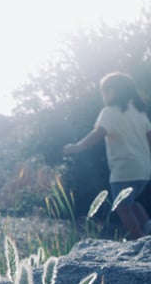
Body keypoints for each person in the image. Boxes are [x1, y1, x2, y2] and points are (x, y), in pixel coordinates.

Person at [62, 71, 151, 239]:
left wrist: (77, 147)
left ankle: (138, 238)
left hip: (124, 168)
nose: (103, 96)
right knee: (133, 203)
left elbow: (98, 133)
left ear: (113, 91)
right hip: (144, 169)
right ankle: (148, 229)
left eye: (105, 91)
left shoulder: (110, 112)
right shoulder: (139, 112)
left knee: (122, 206)